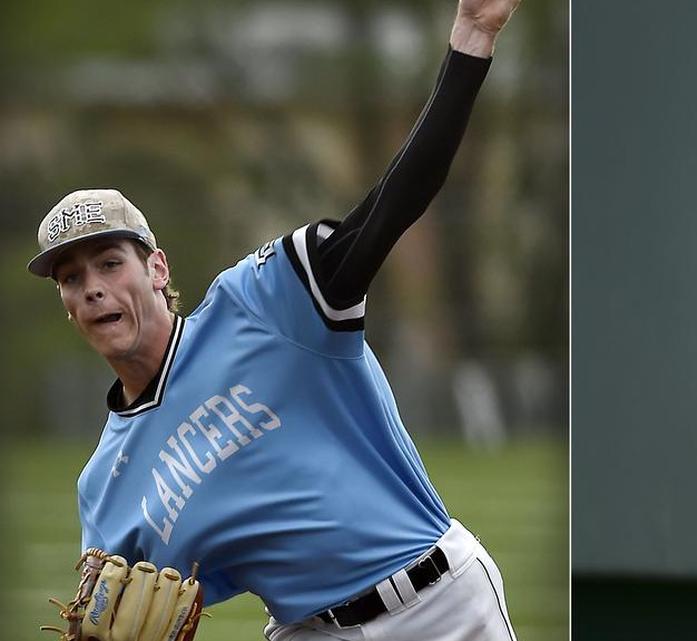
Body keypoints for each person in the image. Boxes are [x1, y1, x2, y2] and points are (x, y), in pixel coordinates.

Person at [28, 0, 522, 639]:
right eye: (72, 278)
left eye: (109, 262)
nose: (93, 288)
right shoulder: (105, 490)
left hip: (439, 605)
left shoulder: (263, 303)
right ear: (66, 305)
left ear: (156, 268)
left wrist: (472, 36)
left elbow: (394, 205)